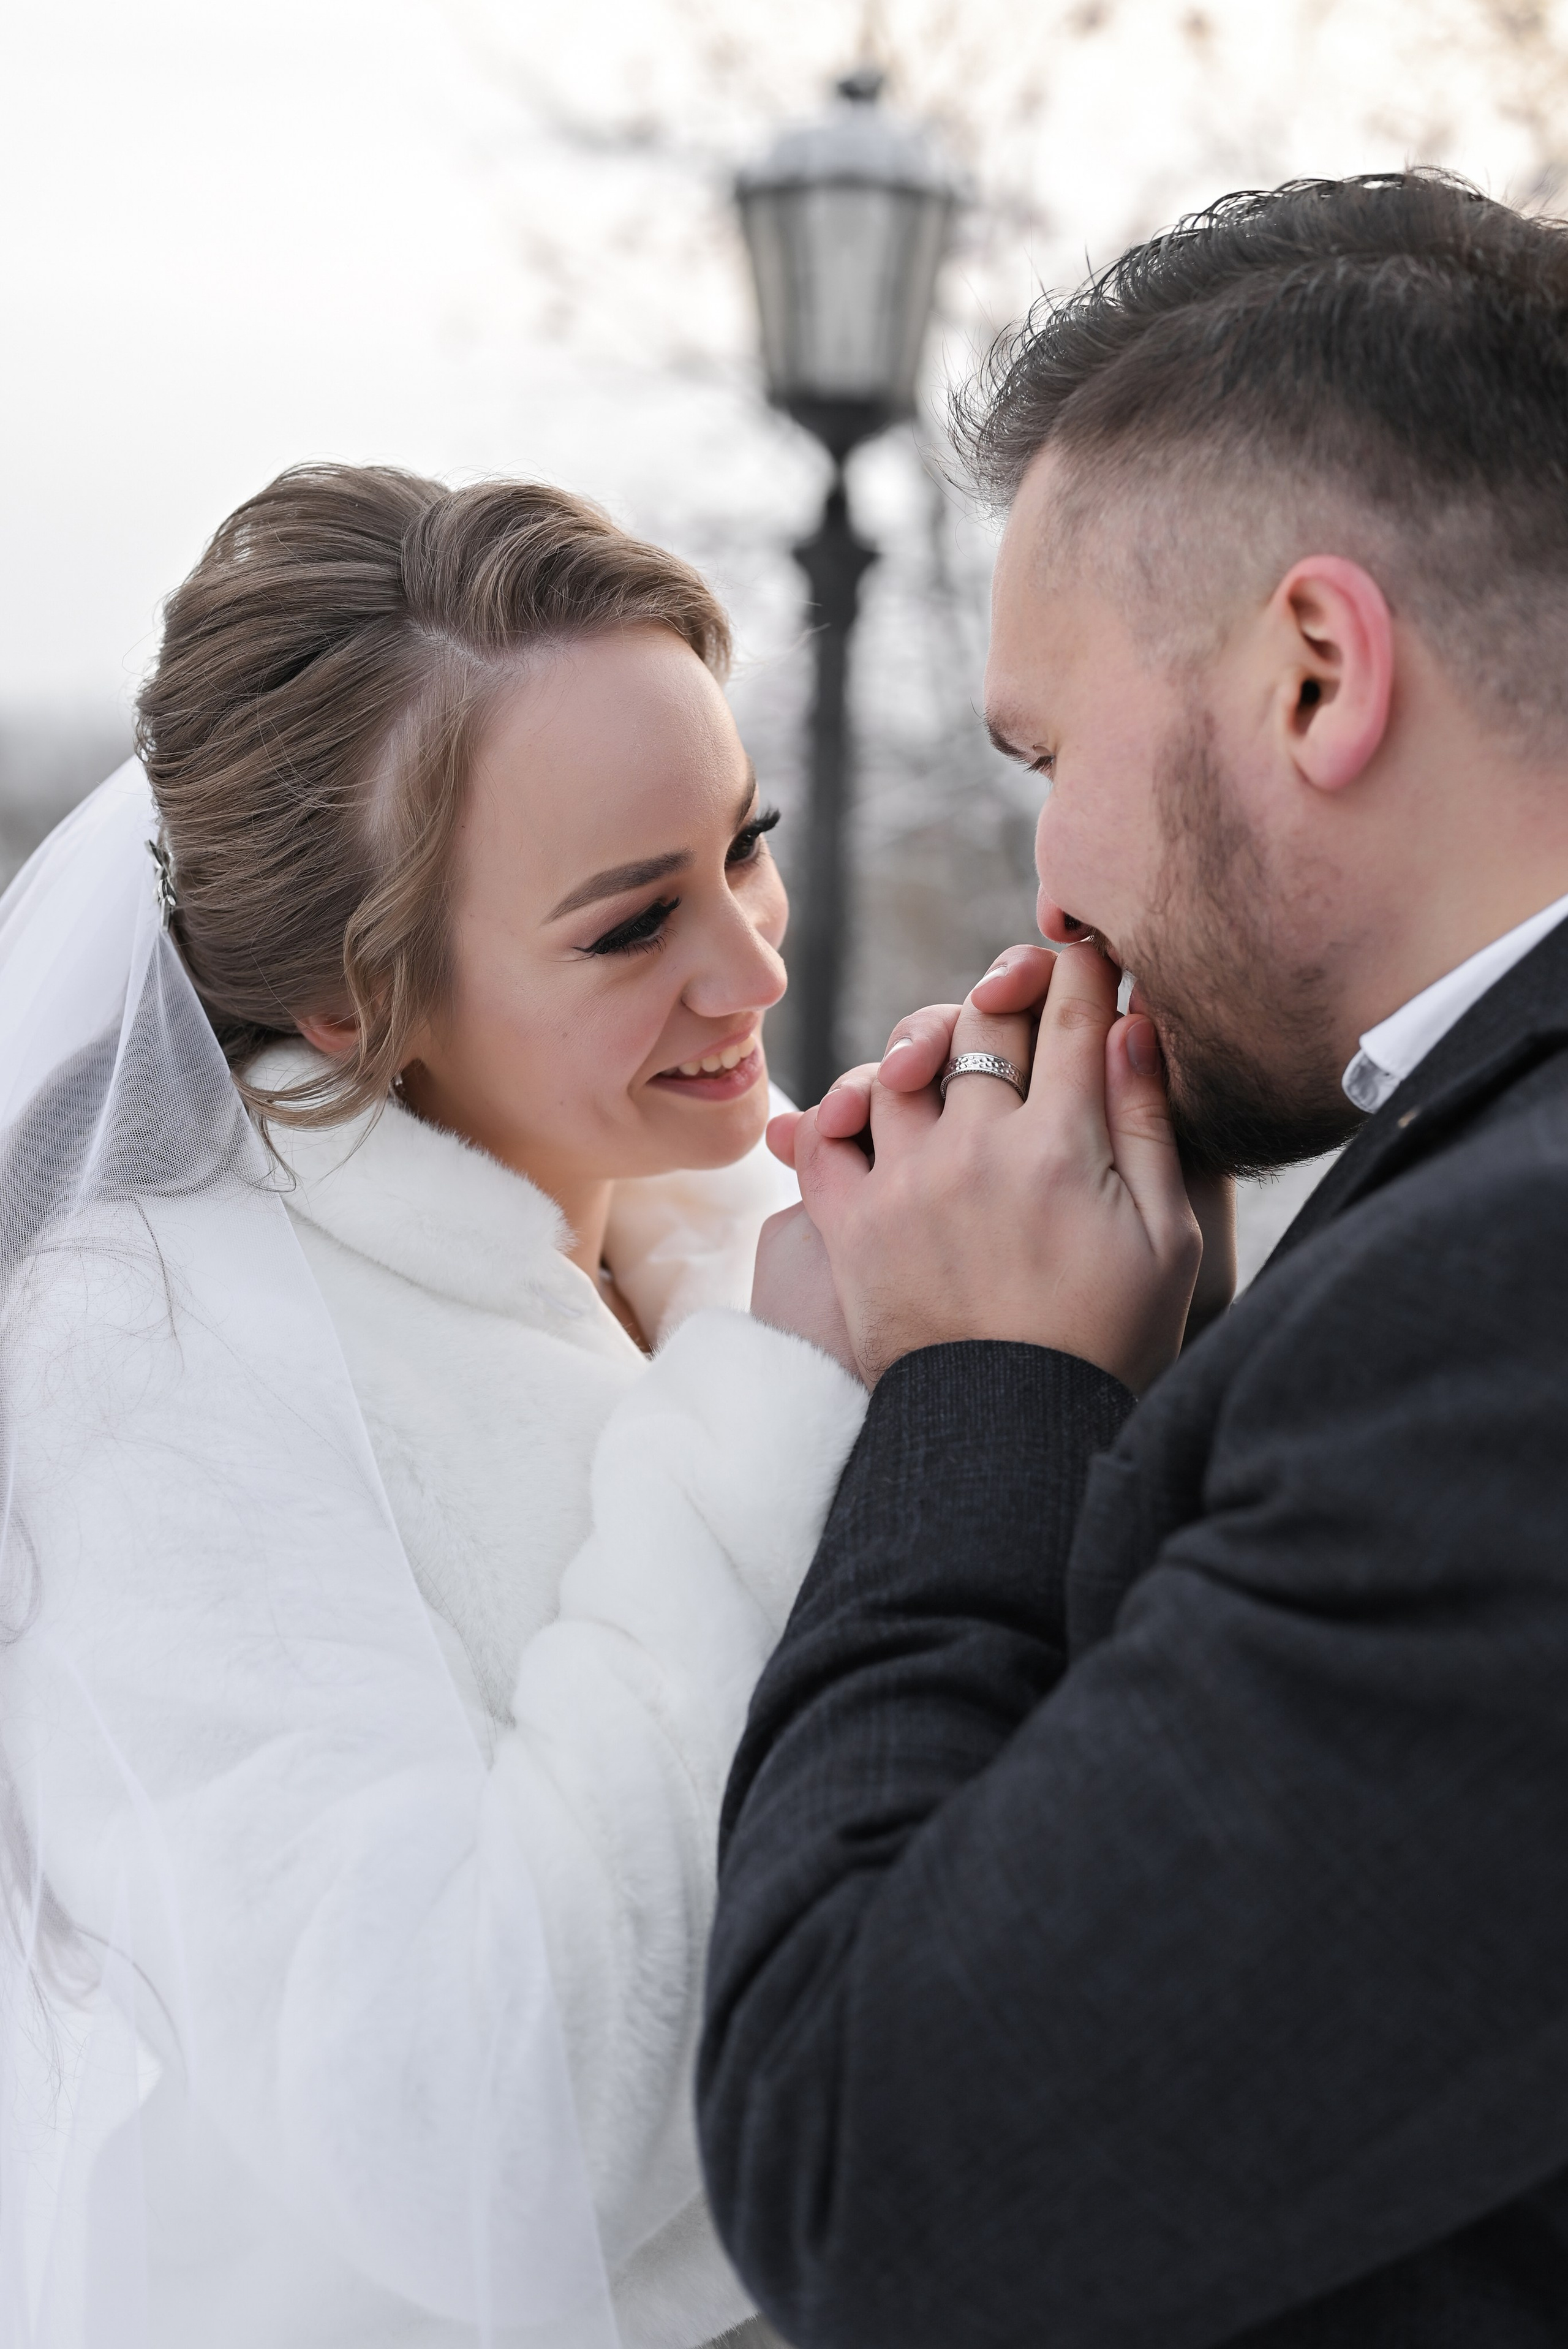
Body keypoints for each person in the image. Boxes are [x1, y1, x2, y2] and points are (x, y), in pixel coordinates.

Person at [700, 172, 1568, 2348]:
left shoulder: (1501, 1309)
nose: (1051, 881)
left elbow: (877, 2170)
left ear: (1313, 674)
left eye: (1048, 755)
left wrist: (981, 1389)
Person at [0, 466, 865, 2349]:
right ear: (344, 994)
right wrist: (787, 1400)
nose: (756, 961)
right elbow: (462, 2121)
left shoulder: (745, 1233)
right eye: (635, 924)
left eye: (750, 839)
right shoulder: (144, 1367)